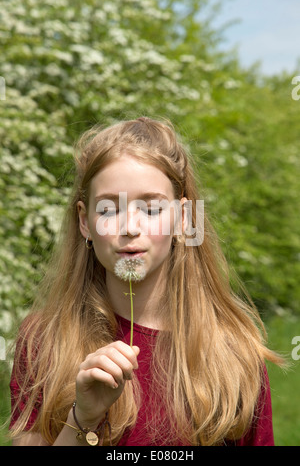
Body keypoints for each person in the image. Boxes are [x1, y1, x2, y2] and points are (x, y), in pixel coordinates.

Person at [9, 117, 282, 446]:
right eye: (109, 210)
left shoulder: (232, 350)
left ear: (183, 218)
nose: (130, 227)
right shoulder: (45, 340)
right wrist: (82, 421)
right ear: (85, 222)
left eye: (151, 209)